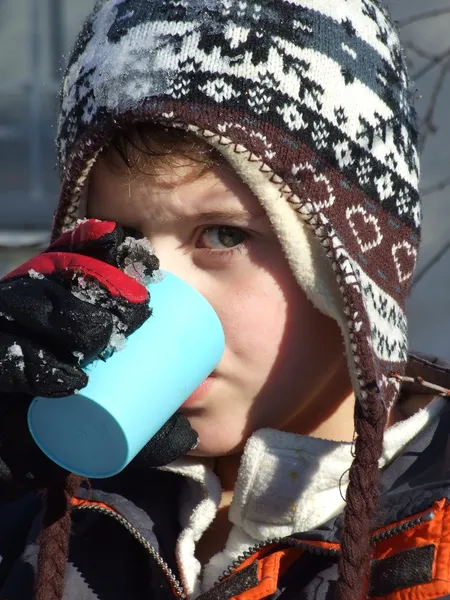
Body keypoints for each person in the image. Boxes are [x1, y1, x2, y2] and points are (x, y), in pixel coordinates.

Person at [0, 1, 449, 599]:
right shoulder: (55, 494)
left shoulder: (432, 522)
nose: (147, 301)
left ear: (352, 271)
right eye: (122, 240)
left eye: (223, 235)